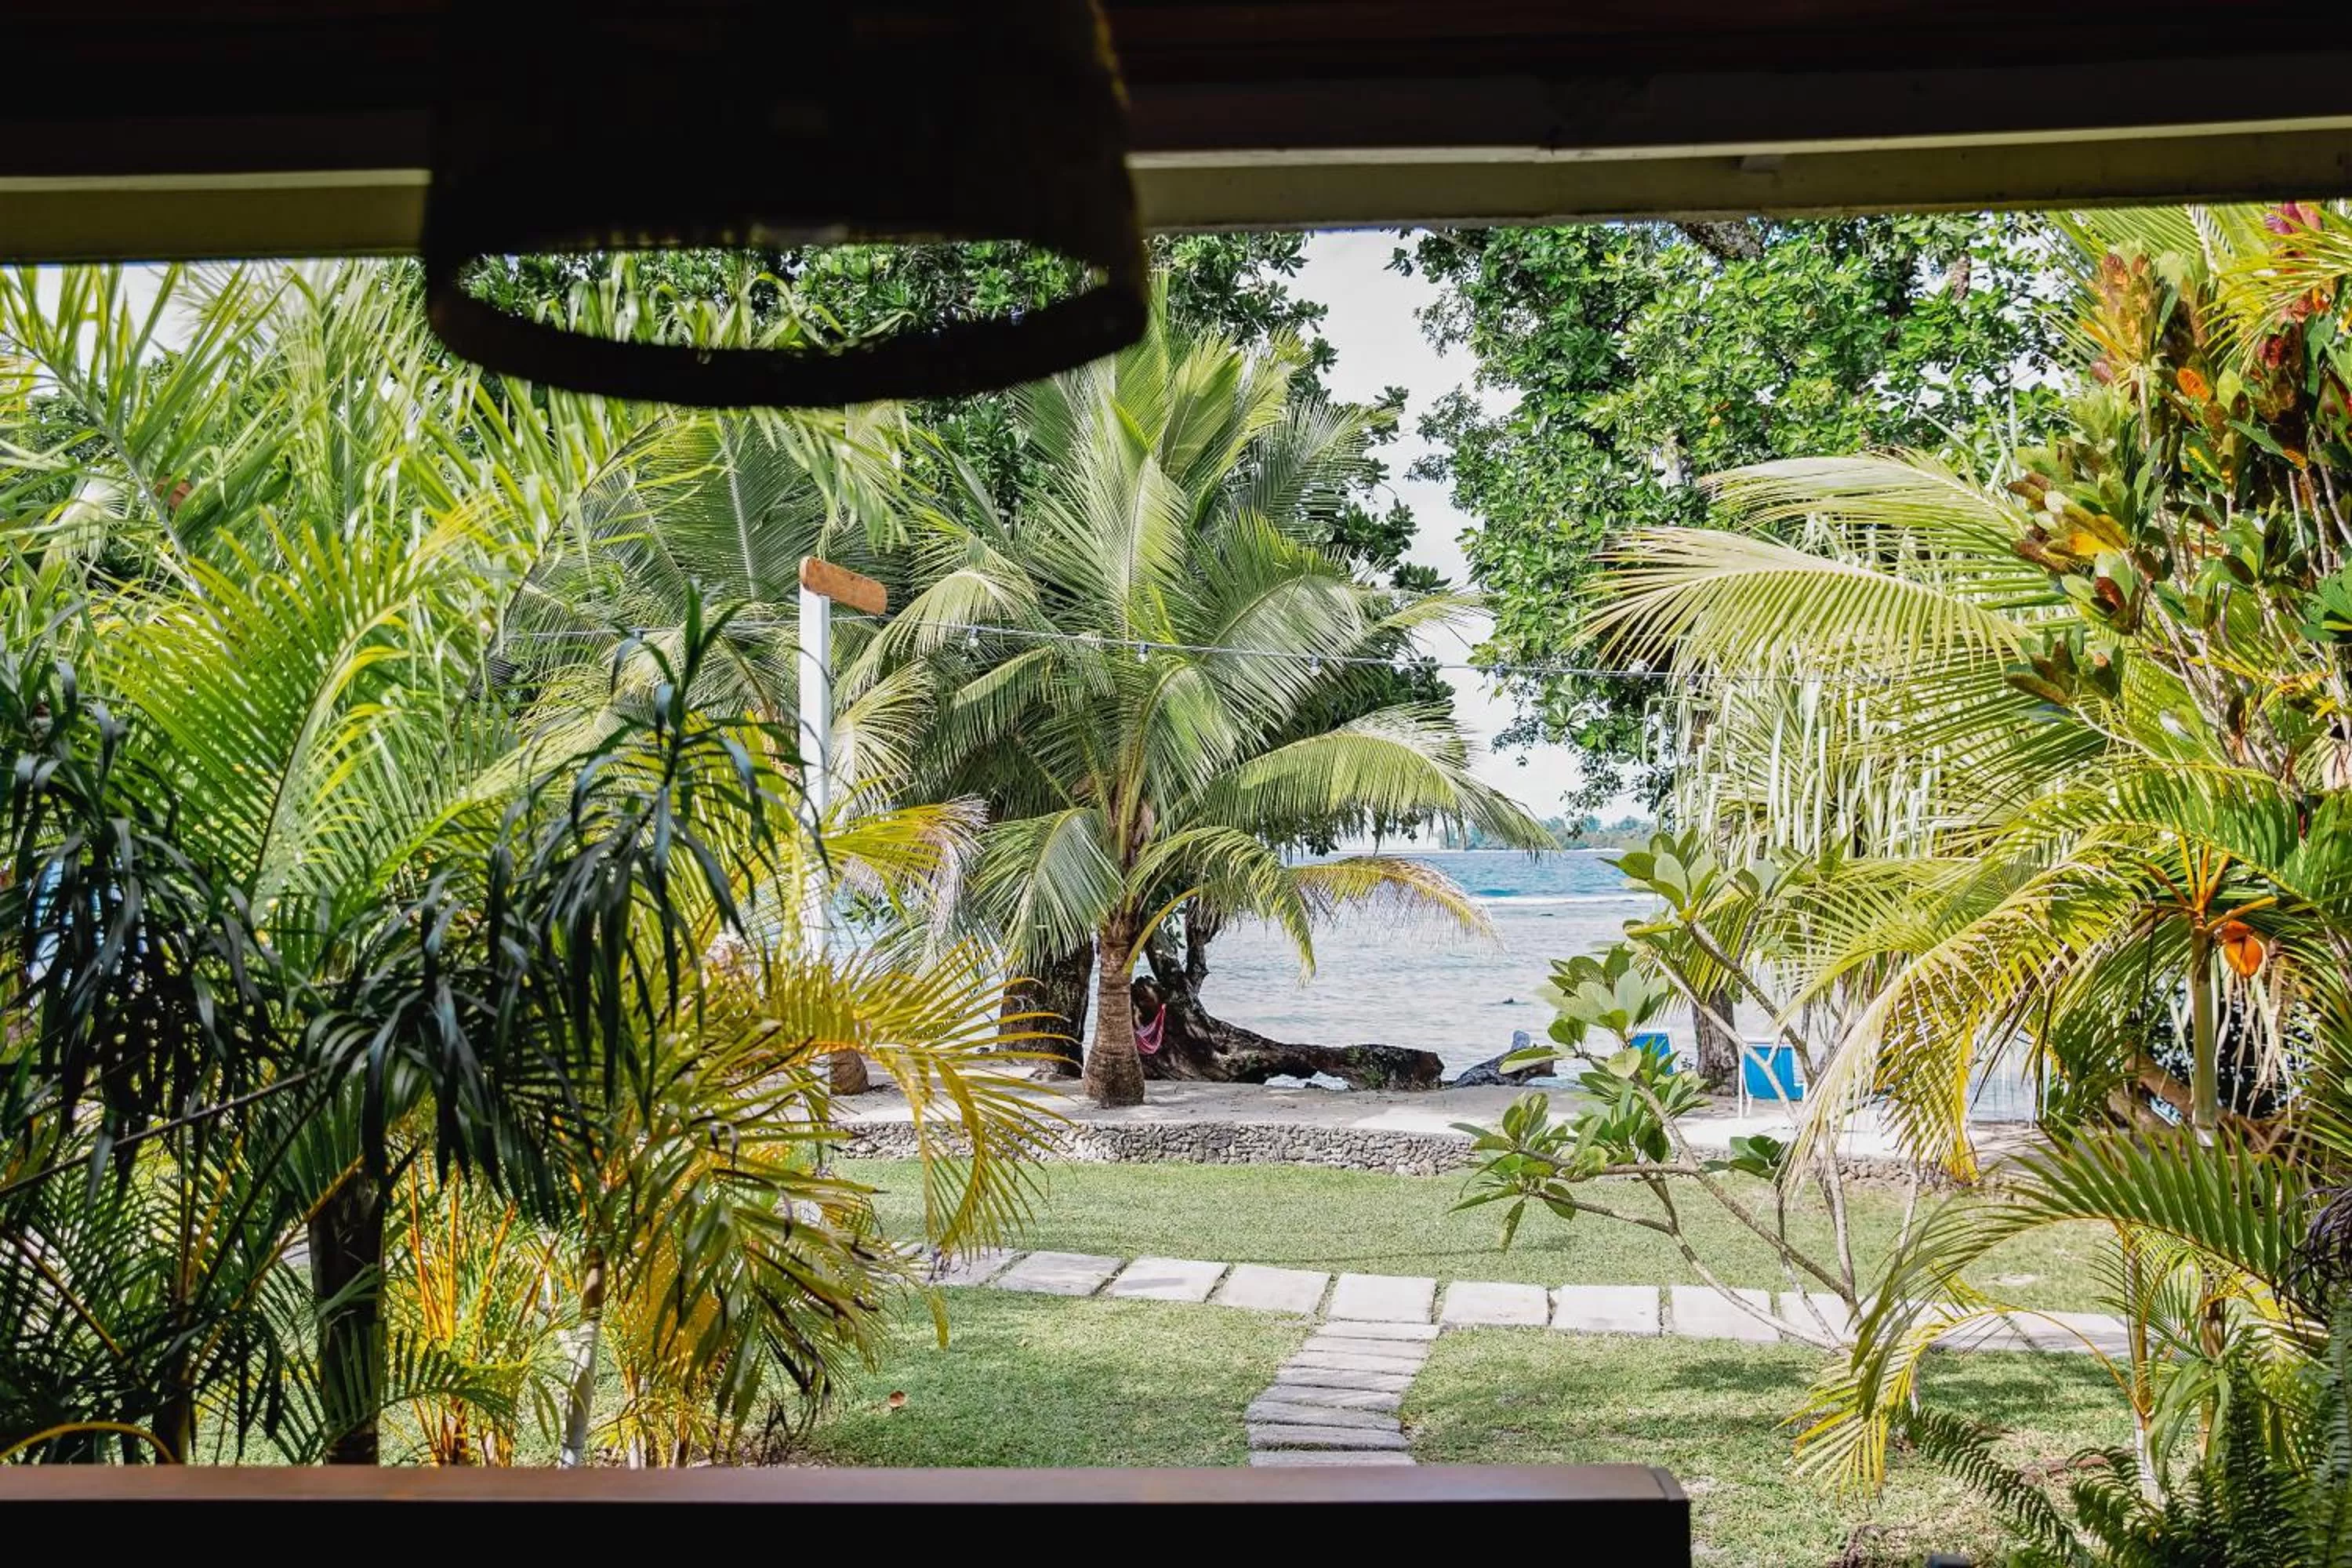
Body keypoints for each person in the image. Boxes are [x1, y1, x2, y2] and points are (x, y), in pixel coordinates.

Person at [1131, 976, 1167, 1057]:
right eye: (1141, 999)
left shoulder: (1163, 1011)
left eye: (1147, 999)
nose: (1142, 1003)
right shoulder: (1141, 1010)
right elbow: (1141, 1032)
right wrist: (1136, 1017)